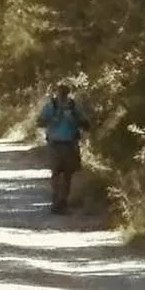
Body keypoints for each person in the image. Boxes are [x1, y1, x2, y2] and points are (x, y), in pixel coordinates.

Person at [37, 81, 90, 214]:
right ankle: (56, 200)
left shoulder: (73, 106)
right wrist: (51, 120)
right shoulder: (51, 106)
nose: (62, 96)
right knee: (56, 173)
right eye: (60, 93)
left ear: (68, 94)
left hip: (69, 144)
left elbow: (85, 124)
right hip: (55, 144)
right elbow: (39, 122)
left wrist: (74, 120)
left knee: (67, 174)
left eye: (64, 94)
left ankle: (63, 201)